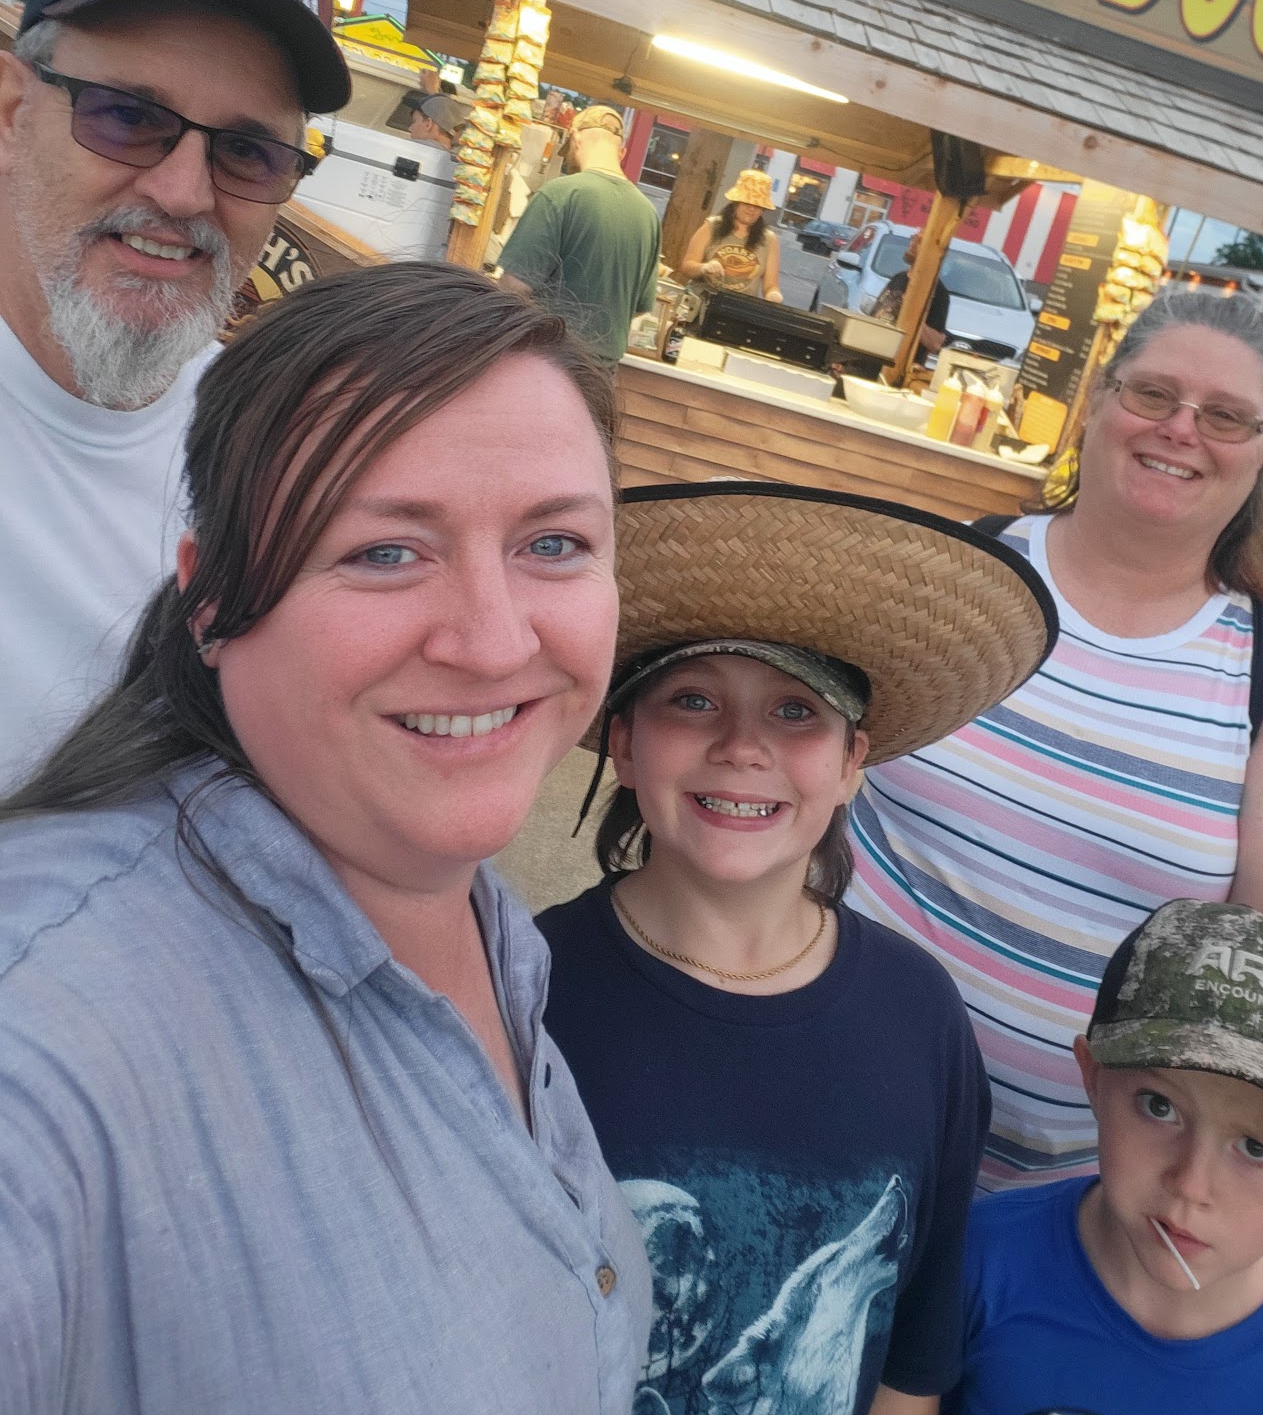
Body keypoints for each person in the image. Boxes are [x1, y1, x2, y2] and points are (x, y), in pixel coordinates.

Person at [0, 263, 649, 1414]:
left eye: (553, 544)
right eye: (385, 552)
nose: (494, 643)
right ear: (209, 602)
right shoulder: (47, 1038)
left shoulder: (482, 921)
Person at [849, 286, 1263, 1347]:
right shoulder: (959, 572)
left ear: (1261, 451)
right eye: (1154, 394)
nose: (1181, 429)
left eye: (1225, 416)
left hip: (1059, 1228)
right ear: (1097, 400)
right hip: (826, 1122)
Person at [540, 478, 1057, 1415]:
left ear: (853, 762)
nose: (743, 747)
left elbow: (914, 1350)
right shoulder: (526, 990)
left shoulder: (920, 1015)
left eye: (795, 711)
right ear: (624, 743)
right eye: (692, 700)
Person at [0, 0, 350, 793]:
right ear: (10, 114)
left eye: (247, 151)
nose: (185, 193)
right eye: (126, 117)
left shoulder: (268, 454)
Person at [955, 899, 1263, 1411]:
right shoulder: (973, 1263)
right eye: (1158, 1106)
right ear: (1093, 1077)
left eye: (1255, 1148)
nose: (1191, 1184)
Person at [498, 100, 660, 362]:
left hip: (549, 358)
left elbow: (514, 287)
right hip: (602, 370)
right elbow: (640, 306)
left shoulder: (560, 194)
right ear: (621, 152)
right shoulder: (648, 214)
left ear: (575, 138)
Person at [681, 167, 783, 301]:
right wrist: (704, 267)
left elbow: (770, 285)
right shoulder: (711, 226)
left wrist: (773, 295)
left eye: (757, 205)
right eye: (746, 202)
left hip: (738, 307)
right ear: (736, 203)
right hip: (700, 300)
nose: (751, 209)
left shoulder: (769, 239)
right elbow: (687, 266)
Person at [871, 230, 949, 356]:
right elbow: (874, 317)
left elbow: (936, 344)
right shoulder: (899, 278)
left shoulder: (937, 292)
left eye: (920, 242)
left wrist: (909, 312)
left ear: (936, 252)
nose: (912, 244)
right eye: (913, 238)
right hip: (872, 354)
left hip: (898, 362)